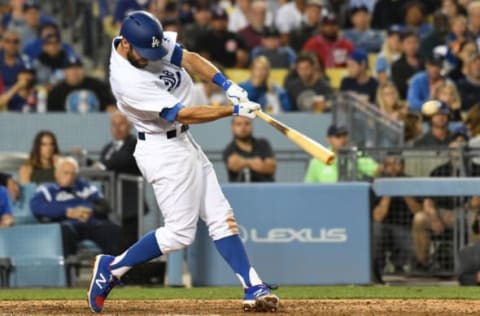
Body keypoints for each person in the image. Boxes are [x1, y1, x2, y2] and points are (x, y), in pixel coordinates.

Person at [87, 11, 279, 313]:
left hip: (183, 142)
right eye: (144, 53)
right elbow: (183, 114)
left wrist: (227, 84)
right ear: (125, 44)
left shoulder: (145, 36)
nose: (151, 57)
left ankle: (252, 285)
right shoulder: (127, 81)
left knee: (221, 216)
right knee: (179, 233)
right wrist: (231, 111)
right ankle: (112, 268)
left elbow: (187, 58)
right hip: (163, 152)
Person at [29, 156, 123, 259]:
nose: (69, 177)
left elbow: (104, 206)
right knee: (64, 232)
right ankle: (68, 272)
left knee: (114, 230)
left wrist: (89, 210)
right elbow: (36, 207)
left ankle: (112, 270)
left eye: (73, 174)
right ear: (56, 173)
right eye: (66, 173)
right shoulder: (47, 190)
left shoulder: (85, 187)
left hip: (91, 223)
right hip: (68, 225)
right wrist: (67, 212)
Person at [412, 129, 470, 271]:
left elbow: (476, 200)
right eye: (454, 145)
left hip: (469, 213)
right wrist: (433, 216)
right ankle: (423, 264)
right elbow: (428, 200)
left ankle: (474, 266)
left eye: (461, 144)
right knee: (420, 218)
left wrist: (460, 212)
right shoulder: (439, 171)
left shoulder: (476, 169)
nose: (457, 148)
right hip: (442, 214)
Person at [372, 153, 422, 276]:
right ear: (383, 167)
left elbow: (418, 211)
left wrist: (403, 189)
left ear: (403, 166)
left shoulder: (412, 182)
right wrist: (389, 190)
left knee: (413, 244)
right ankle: (377, 269)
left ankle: (402, 267)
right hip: (384, 228)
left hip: (405, 227)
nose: (392, 168)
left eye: (396, 164)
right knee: (376, 230)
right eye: (388, 165)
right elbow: (378, 216)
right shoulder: (377, 184)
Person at [99, 112, 142, 247]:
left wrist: (102, 166)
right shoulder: (108, 147)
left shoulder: (134, 143)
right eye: (114, 125)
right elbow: (103, 165)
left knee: (129, 242)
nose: (117, 128)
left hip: (130, 203)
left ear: (129, 126)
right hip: (111, 201)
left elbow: (122, 161)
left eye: (121, 124)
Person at [304, 125, 379, 183]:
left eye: (345, 135)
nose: (342, 139)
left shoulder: (355, 155)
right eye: (338, 136)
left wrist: (385, 166)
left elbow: (376, 170)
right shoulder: (317, 161)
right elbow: (308, 188)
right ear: (328, 139)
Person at [47, 54, 116, 112]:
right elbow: (53, 115)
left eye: (78, 68)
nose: (74, 71)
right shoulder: (57, 92)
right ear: (64, 71)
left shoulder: (98, 86)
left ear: (83, 70)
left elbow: (111, 107)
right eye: (70, 68)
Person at [223, 116, 276, 182]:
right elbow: (234, 165)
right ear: (232, 127)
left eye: (247, 123)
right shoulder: (229, 149)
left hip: (266, 189)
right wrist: (255, 162)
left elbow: (271, 168)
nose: (243, 127)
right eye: (239, 124)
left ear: (252, 126)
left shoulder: (263, 144)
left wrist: (242, 162)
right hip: (240, 190)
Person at [391, 30, 423, 100]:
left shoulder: (425, 62)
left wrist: (411, 82)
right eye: (408, 43)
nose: (412, 46)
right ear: (402, 45)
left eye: (415, 42)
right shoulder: (397, 66)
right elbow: (401, 88)